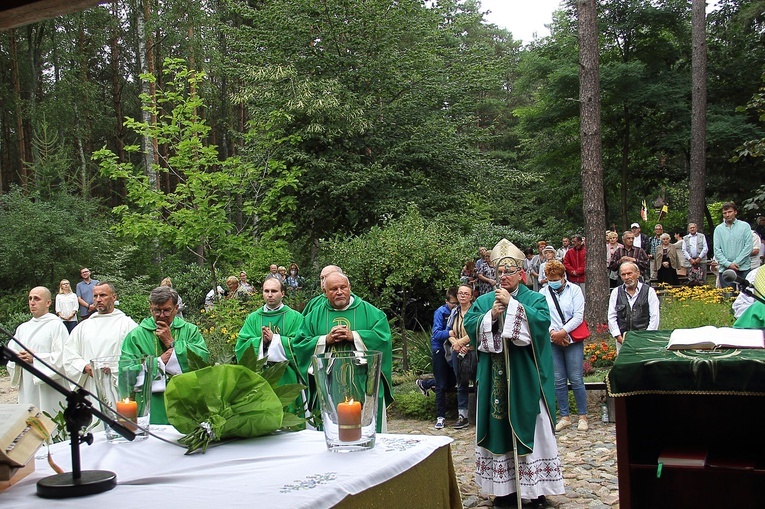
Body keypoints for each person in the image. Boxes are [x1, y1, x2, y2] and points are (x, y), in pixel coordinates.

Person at [464, 239, 564, 508]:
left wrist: (512, 307)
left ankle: (534, 491)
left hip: (526, 377)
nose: (504, 276)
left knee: (534, 427)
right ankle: (504, 491)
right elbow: (470, 324)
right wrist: (491, 316)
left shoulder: (535, 298)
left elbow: (541, 323)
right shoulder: (485, 300)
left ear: (521, 272)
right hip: (494, 376)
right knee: (499, 427)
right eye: (500, 272)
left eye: (510, 271)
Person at [293, 272, 394, 432]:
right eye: (333, 289)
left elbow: (383, 339)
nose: (339, 292)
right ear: (325, 292)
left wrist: (354, 336)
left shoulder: (371, 312)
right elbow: (299, 344)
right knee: (333, 432)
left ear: (350, 288)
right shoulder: (313, 316)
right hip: (329, 384)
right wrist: (325, 340)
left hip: (363, 382)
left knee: (365, 432)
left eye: (343, 287)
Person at [121, 286, 210, 424]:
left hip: (186, 403)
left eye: (167, 310)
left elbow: (203, 360)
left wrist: (172, 343)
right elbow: (125, 372)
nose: (161, 315)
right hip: (152, 405)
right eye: (157, 310)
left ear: (176, 308)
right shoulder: (136, 336)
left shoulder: (190, 331)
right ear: (150, 307)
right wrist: (158, 363)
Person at [235, 278, 305, 414]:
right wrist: (262, 342)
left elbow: (301, 345)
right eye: (266, 291)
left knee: (288, 414)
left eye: (274, 291)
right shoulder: (253, 318)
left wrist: (275, 339)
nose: (270, 294)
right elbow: (241, 346)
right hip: (259, 375)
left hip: (287, 376)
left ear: (282, 293)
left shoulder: (295, 317)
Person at [63, 282, 138, 396]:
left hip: (116, 388)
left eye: (103, 295)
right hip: (91, 386)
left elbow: (137, 357)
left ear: (114, 297)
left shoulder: (127, 325)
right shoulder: (83, 326)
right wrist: (84, 366)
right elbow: (69, 353)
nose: (98, 299)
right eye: (95, 296)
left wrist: (114, 369)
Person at [539, 260, 588, 432]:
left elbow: (578, 315)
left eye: (555, 278)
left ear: (562, 276)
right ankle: (564, 416)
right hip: (553, 340)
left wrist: (563, 332)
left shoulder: (574, 290)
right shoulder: (543, 292)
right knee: (558, 380)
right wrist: (554, 333)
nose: (552, 281)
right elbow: (543, 315)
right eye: (549, 278)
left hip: (572, 339)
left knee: (576, 378)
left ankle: (582, 416)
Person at [7, 287, 68, 416]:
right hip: (28, 386)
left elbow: (63, 357)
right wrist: (16, 359)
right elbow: (11, 353)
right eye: (30, 298)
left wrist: (35, 358)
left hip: (50, 389)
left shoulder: (56, 326)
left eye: (37, 298)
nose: (32, 302)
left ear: (48, 303)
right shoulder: (23, 328)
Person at [415, 287, 459, 430]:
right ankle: (440, 417)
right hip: (440, 348)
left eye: (457, 303)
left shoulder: (460, 311)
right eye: (453, 303)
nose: (455, 306)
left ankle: (425, 383)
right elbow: (436, 334)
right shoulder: (440, 312)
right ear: (447, 301)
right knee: (441, 385)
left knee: (452, 381)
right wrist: (450, 333)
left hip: (453, 349)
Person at [608, 262, 660, 353]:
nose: (627, 277)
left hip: (645, 339)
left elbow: (654, 317)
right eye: (623, 275)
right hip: (623, 340)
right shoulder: (616, 292)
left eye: (629, 273)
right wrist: (619, 337)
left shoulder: (649, 291)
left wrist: (646, 337)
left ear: (638, 273)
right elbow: (611, 317)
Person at [446, 285, 474, 430]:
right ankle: (462, 415)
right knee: (461, 383)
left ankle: (480, 414)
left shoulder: (475, 311)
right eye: (460, 293)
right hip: (458, 352)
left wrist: (461, 343)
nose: (463, 296)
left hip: (473, 351)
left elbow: (477, 331)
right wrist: (456, 344)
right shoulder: (454, 312)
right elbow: (449, 332)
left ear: (471, 296)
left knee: (478, 381)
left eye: (466, 293)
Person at [714, 202, 753, 288]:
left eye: (730, 212)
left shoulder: (745, 226)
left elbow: (748, 247)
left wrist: (736, 263)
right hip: (725, 269)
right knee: (728, 296)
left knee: (746, 296)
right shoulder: (718, 229)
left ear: (735, 212)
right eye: (725, 213)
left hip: (743, 268)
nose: (727, 215)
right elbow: (717, 250)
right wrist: (728, 264)